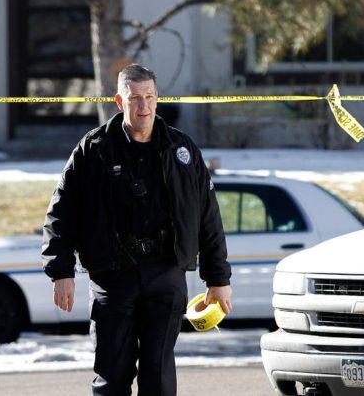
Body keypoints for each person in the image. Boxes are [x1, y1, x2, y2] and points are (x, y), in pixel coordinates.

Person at [42, 64, 232, 395]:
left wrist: (218, 280)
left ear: (157, 99)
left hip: (166, 273)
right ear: (119, 100)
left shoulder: (181, 150)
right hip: (113, 275)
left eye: (149, 97)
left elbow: (208, 217)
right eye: (134, 99)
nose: (143, 107)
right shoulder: (93, 149)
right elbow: (60, 214)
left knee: (158, 378)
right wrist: (61, 271)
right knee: (112, 377)